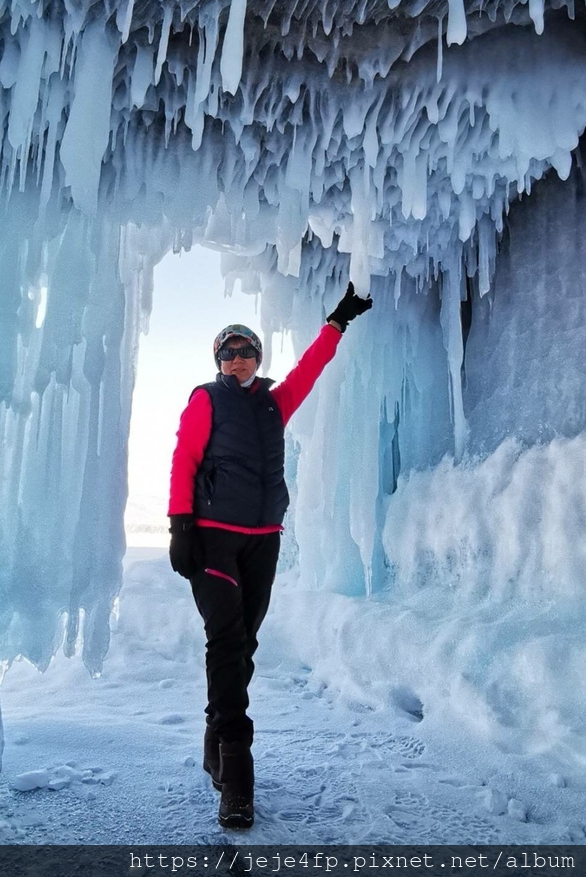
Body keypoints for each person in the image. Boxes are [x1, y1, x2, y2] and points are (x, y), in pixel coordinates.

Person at [167, 283, 372, 828]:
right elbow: (184, 459)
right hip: (213, 536)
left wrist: (337, 322)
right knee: (227, 641)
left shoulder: (274, 402)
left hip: (263, 538)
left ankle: (216, 737)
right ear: (218, 361)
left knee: (244, 643)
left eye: (245, 350)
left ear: (259, 357)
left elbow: (310, 369)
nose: (237, 358)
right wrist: (179, 524)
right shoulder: (206, 400)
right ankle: (236, 773)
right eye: (227, 352)